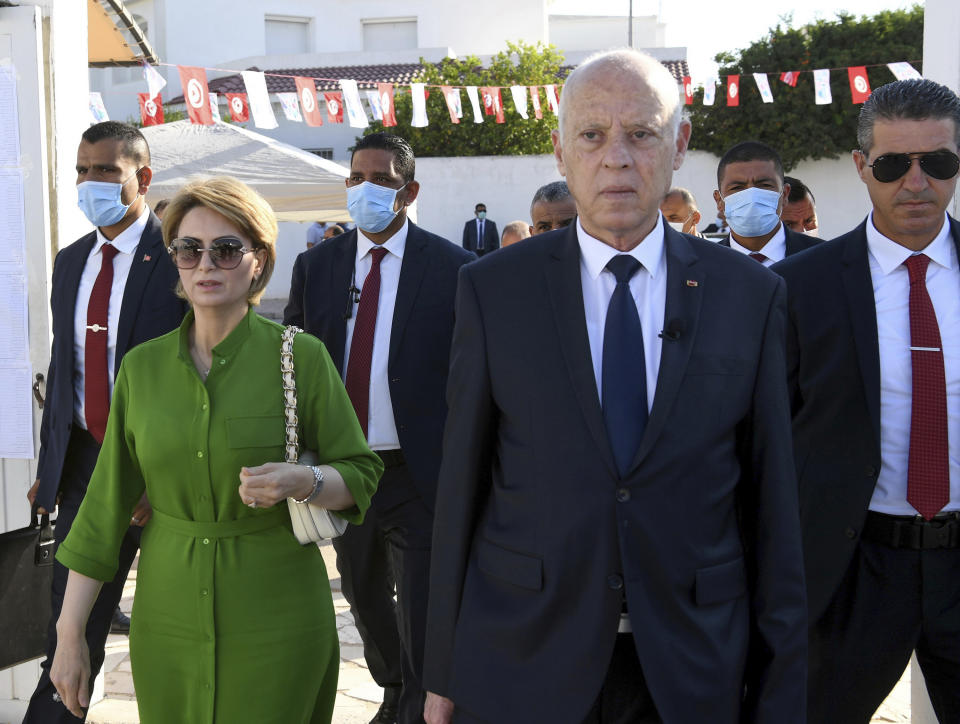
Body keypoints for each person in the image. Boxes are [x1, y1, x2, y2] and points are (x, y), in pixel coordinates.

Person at [423, 48, 806, 724]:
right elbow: (462, 484)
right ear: (560, 150)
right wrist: (442, 669)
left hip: (693, 661)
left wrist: (779, 691)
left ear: (680, 143)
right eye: (593, 135)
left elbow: (770, 500)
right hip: (526, 653)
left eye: (642, 133)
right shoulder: (493, 291)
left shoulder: (749, 295)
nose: (617, 157)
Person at [48, 176, 383, 723]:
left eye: (226, 249)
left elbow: (362, 475)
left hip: (279, 618)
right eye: (189, 249)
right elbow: (102, 512)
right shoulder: (142, 369)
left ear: (259, 259)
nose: (206, 264)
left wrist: (307, 482)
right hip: (167, 616)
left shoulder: (302, 358)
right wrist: (68, 638)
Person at [773, 78, 960, 723]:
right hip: (850, 569)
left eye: (937, 163)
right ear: (861, 167)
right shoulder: (799, 288)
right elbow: (763, 438)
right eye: (892, 165)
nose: (916, 183)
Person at [285, 132, 475, 724]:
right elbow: (291, 358)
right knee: (364, 597)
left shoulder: (455, 268)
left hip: (416, 471)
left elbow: (469, 374)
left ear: (408, 190)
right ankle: (394, 690)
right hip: (343, 470)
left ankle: (418, 706)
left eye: (382, 180)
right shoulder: (317, 266)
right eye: (356, 178)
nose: (365, 189)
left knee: (419, 600)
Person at [23, 121, 187, 724]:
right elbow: (63, 371)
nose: (89, 183)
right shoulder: (71, 263)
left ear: (141, 179)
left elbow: (196, 371)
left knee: (180, 623)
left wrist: (151, 473)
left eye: (104, 172)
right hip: (85, 468)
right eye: (82, 171)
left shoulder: (178, 258)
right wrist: (50, 466)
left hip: (167, 470)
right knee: (68, 625)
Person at [713, 141, 818, 266]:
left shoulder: (824, 258)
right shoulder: (703, 265)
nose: (752, 196)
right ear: (719, 200)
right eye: (737, 187)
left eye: (764, 185)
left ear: (784, 194)